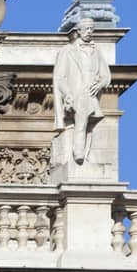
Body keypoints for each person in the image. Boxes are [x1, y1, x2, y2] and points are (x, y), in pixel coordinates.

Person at [53, 17, 111, 164]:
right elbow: (60, 77)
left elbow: (106, 75)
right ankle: (78, 151)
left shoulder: (96, 51)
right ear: (78, 31)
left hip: (91, 93)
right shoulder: (67, 51)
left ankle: (85, 153)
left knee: (90, 125)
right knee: (82, 120)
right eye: (87, 29)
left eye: (92, 29)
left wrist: (99, 85)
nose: (89, 32)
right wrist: (68, 94)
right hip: (76, 94)